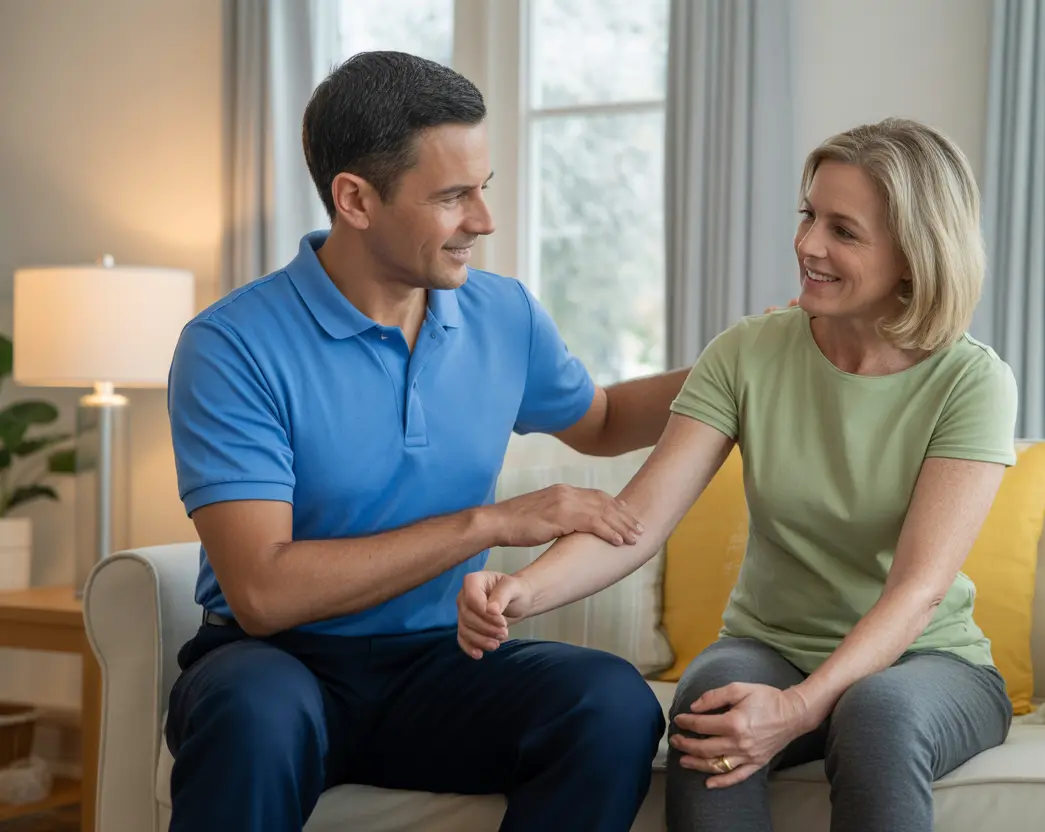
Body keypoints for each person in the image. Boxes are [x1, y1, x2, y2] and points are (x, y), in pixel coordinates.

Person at [163, 51, 693, 832]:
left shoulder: (503, 314)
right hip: (275, 666)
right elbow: (265, 593)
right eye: (452, 197)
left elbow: (606, 419)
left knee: (610, 702)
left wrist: (749, 362)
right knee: (255, 712)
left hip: (440, 669)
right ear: (355, 199)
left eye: (483, 189)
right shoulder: (232, 346)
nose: (482, 219)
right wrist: (489, 523)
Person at [458, 117, 1019, 832]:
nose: (808, 245)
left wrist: (801, 707)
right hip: (772, 644)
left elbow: (917, 591)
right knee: (707, 713)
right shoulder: (748, 353)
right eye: (809, 215)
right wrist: (521, 590)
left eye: (843, 231)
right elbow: (637, 523)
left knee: (876, 714)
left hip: (928, 659)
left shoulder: (971, 381)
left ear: (914, 255)